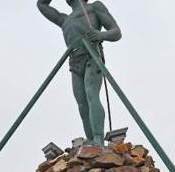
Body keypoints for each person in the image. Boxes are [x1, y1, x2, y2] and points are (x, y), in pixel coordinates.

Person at [37, 0, 122, 145]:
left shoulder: (94, 7)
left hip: (92, 54)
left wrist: (101, 35)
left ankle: (98, 138)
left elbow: (116, 32)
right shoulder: (64, 19)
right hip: (74, 60)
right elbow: (42, 4)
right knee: (81, 103)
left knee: (91, 92)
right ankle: (90, 139)